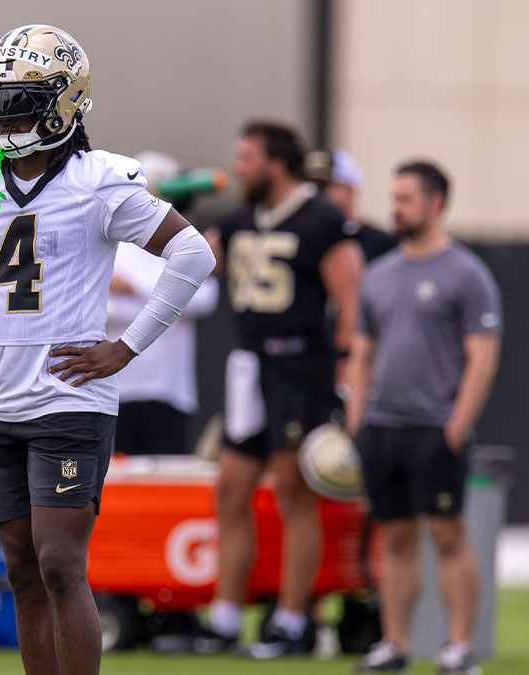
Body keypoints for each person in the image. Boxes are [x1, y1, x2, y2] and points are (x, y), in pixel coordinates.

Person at [0, 25, 215, 675]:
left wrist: (127, 347)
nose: (8, 115)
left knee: (59, 561)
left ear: (66, 102)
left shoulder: (99, 180)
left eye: (23, 101)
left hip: (69, 398)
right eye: (0, 101)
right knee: (22, 569)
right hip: (0, 400)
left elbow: (193, 253)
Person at [202, 122, 364, 658]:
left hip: (300, 371)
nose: (239, 167)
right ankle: (225, 619)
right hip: (248, 369)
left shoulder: (320, 220)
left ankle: (293, 622)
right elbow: (196, 265)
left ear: (276, 163)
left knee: (295, 495)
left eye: (247, 157)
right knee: (231, 490)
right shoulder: (242, 219)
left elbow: (352, 300)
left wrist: (346, 372)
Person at [346, 160, 501, 674]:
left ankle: (459, 647)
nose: (395, 208)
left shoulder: (466, 274)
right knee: (395, 538)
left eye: (406, 199)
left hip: (434, 429)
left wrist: (456, 426)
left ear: (436, 203)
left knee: (448, 536)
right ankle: (395, 644)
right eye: (394, 198)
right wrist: (357, 422)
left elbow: (483, 357)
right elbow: (362, 355)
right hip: (382, 429)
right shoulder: (378, 275)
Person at [107, 151, 220, 455]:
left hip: (171, 389)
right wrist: (172, 294)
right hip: (120, 386)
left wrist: (132, 288)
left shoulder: (183, 243)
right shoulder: (117, 246)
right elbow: (108, 308)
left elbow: (204, 299)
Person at [305, 148, 399, 263]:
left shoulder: (385, 245)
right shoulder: (302, 240)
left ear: (349, 189)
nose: (314, 193)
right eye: (308, 185)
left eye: (323, 186)